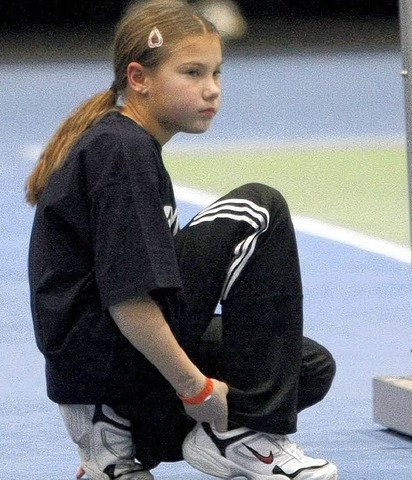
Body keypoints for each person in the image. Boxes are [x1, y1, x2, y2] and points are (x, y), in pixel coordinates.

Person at [25, 1, 338, 479]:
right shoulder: (121, 150)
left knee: (305, 366)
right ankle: (239, 438)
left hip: (101, 362)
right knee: (259, 207)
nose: (211, 89)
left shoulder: (127, 144)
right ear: (139, 77)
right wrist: (195, 388)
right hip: (101, 355)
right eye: (192, 73)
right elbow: (128, 300)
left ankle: (116, 443)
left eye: (216, 73)